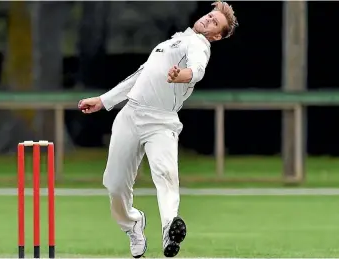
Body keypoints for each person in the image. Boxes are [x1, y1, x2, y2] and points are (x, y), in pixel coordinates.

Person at [78, 1, 238, 257]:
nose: (209, 20)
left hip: (161, 122)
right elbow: (140, 75)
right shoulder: (173, 42)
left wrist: (181, 75)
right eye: (210, 15)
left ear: (217, 35)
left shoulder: (199, 44)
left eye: (215, 23)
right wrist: (104, 101)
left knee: (165, 175)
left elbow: (197, 71)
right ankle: (133, 224)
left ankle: (168, 231)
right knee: (115, 184)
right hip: (130, 115)